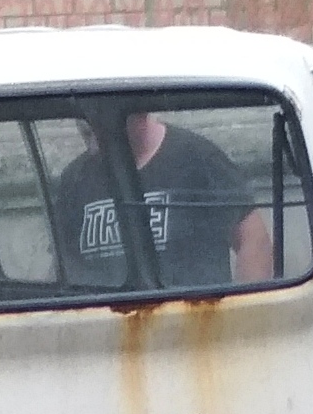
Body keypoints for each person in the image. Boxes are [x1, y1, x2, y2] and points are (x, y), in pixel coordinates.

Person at [53, 111, 273, 290]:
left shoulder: (197, 158)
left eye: (96, 128)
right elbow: (64, 267)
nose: (91, 132)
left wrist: (242, 321)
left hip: (196, 322)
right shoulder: (74, 179)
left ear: (139, 114)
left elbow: (253, 241)